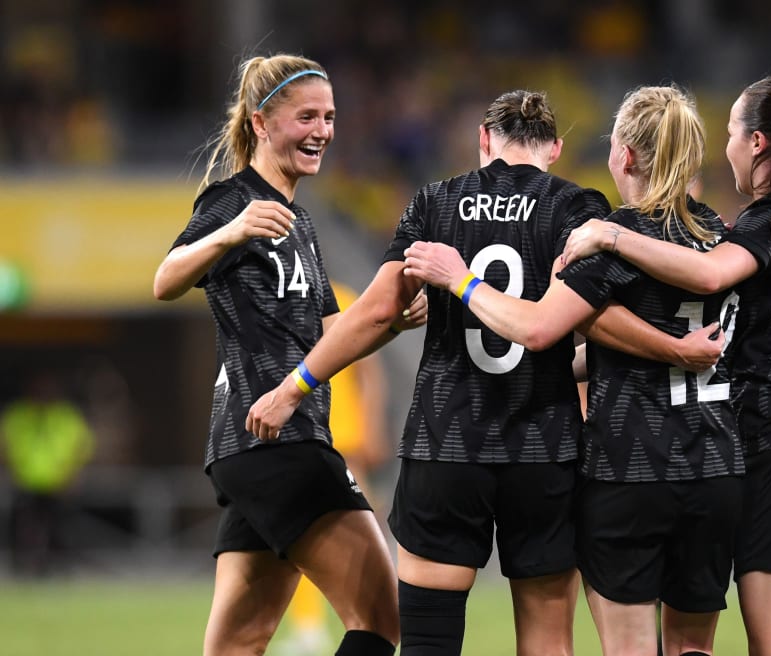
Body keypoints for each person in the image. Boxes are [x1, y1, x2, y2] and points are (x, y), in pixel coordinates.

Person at [246, 88, 722, 656]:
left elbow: (374, 312)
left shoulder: (436, 203)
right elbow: (594, 319)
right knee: (547, 639)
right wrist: (673, 347)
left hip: (448, 442)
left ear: (483, 142)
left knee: (428, 639)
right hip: (543, 449)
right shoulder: (578, 208)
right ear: (554, 149)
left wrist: (295, 385)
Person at [404, 84, 743, 656]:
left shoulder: (613, 241)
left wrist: (460, 279)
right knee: (693, 649)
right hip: (714, 466)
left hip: (632, 468)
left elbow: (540, 328)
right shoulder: (723, 238)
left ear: (624, 156)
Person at [560, 74, 771, 656]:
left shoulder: (767, 218)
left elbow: (708, 276)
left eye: (732, 129)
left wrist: (609, 234)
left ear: (757, 143)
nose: (726, 143)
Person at [152, 53, 416, 656]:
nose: (322, 130)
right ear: (261, 123)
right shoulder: (232, 201)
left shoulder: (301, 222)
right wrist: (228, 232)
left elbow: (336, 336)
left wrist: (393, 322)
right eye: (306, 117)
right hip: (280, 440)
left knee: (238, 643)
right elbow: (165, 280)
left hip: (257, 448)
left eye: (329, 116)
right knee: (381, 617)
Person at [278, 281, 398, 656]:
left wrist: (372, 426)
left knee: (358, 530)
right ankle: (311, 627)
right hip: (305, 433)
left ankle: (384, 609)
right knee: (302, 533)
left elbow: (370, 374)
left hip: (343, 436)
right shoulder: (284, 300)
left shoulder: (343, 300)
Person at [1, 370, 95, 577]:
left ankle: (59, 570)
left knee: (60, 530)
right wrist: (11, 470)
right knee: (24, 529)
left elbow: (83, 447)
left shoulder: (66, 416)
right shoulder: (18, 415)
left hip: (58, 483)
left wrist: (73, 476)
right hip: (27, 482)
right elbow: (6, 446)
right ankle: (25, 570)